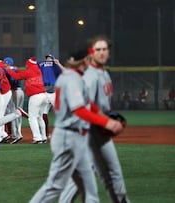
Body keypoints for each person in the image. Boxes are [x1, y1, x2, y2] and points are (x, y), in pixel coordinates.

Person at [30, 47, 124, 203]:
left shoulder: (77, 78)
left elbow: (88, 104)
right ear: (84, 61)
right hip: (67, 138)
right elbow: (79, 109)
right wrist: (106, 122)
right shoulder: (71, 79)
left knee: (89, 190)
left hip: (76, 137)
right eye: (89, 59)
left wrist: (106, 118)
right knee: (54, 186)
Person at [61, 35, 131, 203]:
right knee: (95, 177)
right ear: (91, 53)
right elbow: (84, 108)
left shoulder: (104, 73)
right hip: (88, 133)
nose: (101, 53)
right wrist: (107, 122)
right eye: (97, 50)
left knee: (105, 176)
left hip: (98, 132)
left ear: (109, 52)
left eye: (104, 49)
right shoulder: (90, 77)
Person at [4, 57, 48, 144]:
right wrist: (17, 69)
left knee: (32, 118)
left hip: (35, 96)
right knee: (39, 117)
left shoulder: (29, 71)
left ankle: (37, 138)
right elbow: (25, 73)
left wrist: (9, 70)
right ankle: (43, 136)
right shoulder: (37, 70)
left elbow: (16, 76)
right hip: (44, 95)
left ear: (29, 64)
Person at [37, 54, 65, 141]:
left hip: (53, 92)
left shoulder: (55, 65)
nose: (48, 59)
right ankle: (46, 134)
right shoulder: (41, 65)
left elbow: (65, 72)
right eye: (47, 58)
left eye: (50, 58)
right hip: (44, 92)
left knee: (59, 111)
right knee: (43, 114)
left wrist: (58, 64)